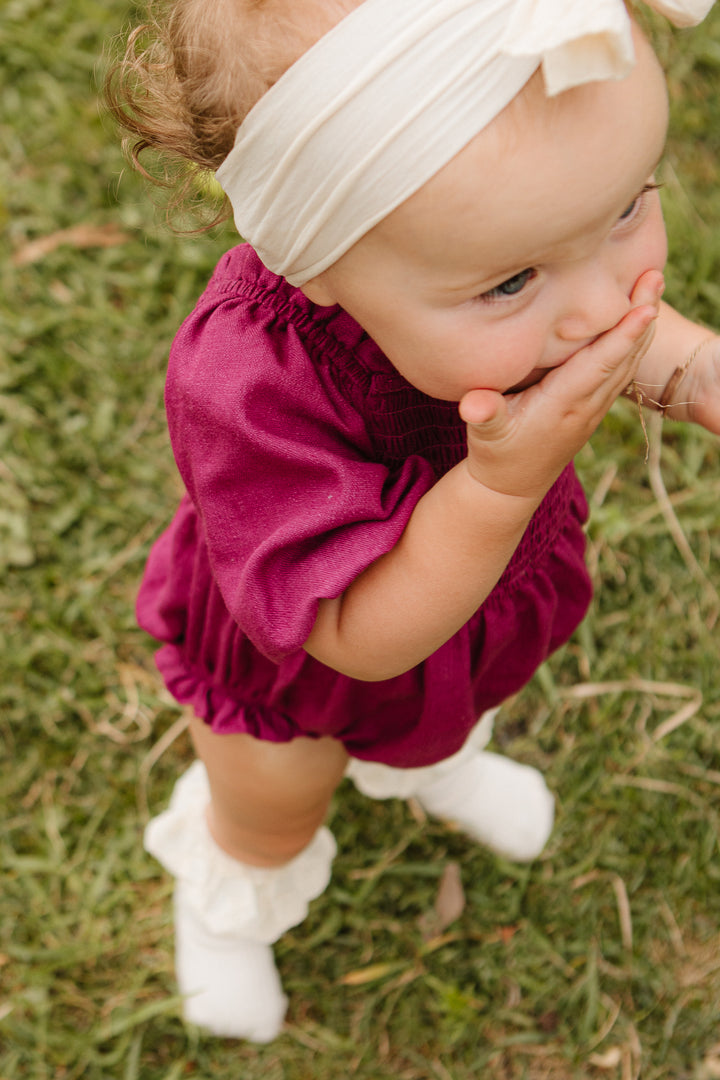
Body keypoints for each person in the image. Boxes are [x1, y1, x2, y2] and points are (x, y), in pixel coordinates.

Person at [106, 0, 719, 1043]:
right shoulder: (247, 383)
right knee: (272, 805)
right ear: (321, 265)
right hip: (302, 659)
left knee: (452, 701)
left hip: (458, 625)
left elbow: (628, 331)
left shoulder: (522, 260)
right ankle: (225, 906)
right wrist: (496, 492)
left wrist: (702, 373)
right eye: (515, 279)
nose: (596, 307)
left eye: (627, 208)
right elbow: (361, 636)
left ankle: (436, 763)